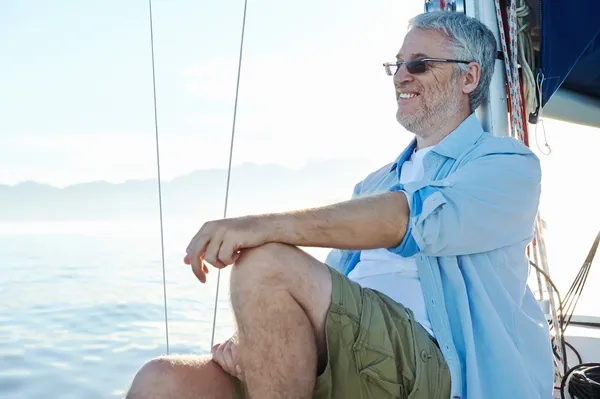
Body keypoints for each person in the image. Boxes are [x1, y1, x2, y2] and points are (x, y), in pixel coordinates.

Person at [126, 10, 553, 399]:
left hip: (432, 369)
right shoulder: (374, 183)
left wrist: (263, 227)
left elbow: (409, 218)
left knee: (265, 264)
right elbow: (328, 286)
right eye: (397, 64)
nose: (401, 76)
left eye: (419, 64)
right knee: (162, 382)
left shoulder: (506, 166)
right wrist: (253, 338)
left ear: (468, 77)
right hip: (347, 354)